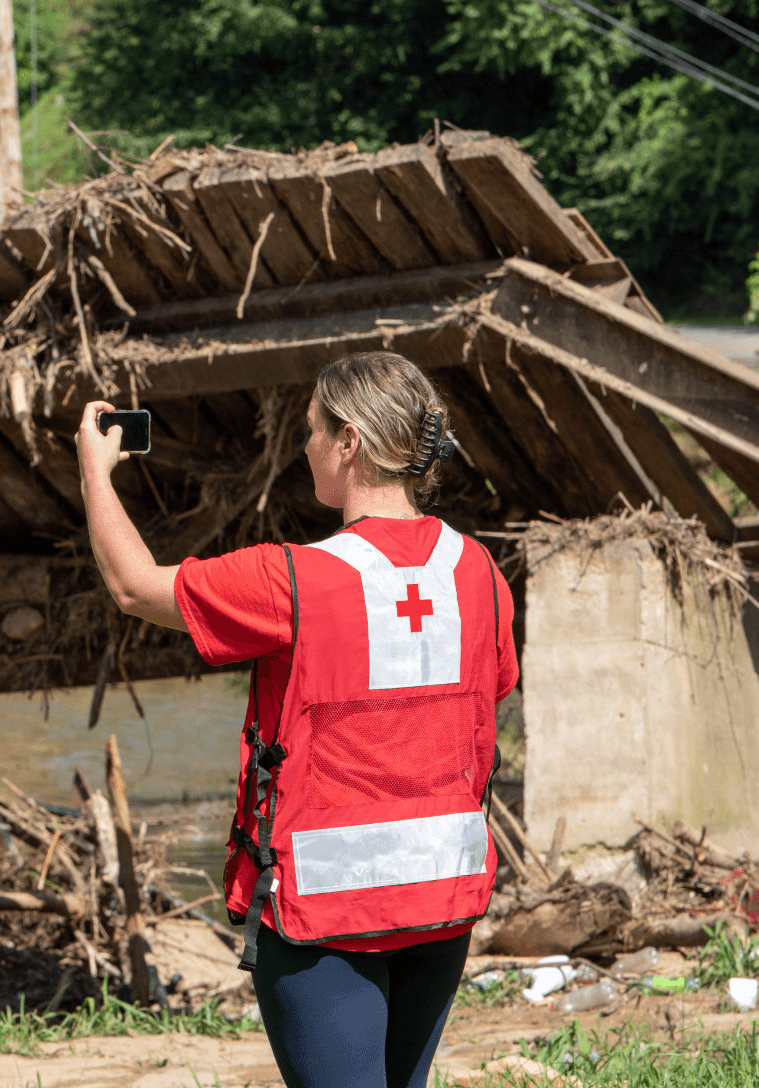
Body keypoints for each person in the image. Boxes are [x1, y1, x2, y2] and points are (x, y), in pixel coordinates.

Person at [75, 351, 518, 1088]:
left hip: (324, 913)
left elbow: (132, 586)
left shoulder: (292, 579)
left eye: (313, 429)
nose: (305, 446)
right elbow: (483, 698)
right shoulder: (478, 572)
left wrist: (95, 470)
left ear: (350, 442)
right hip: (442, 899)